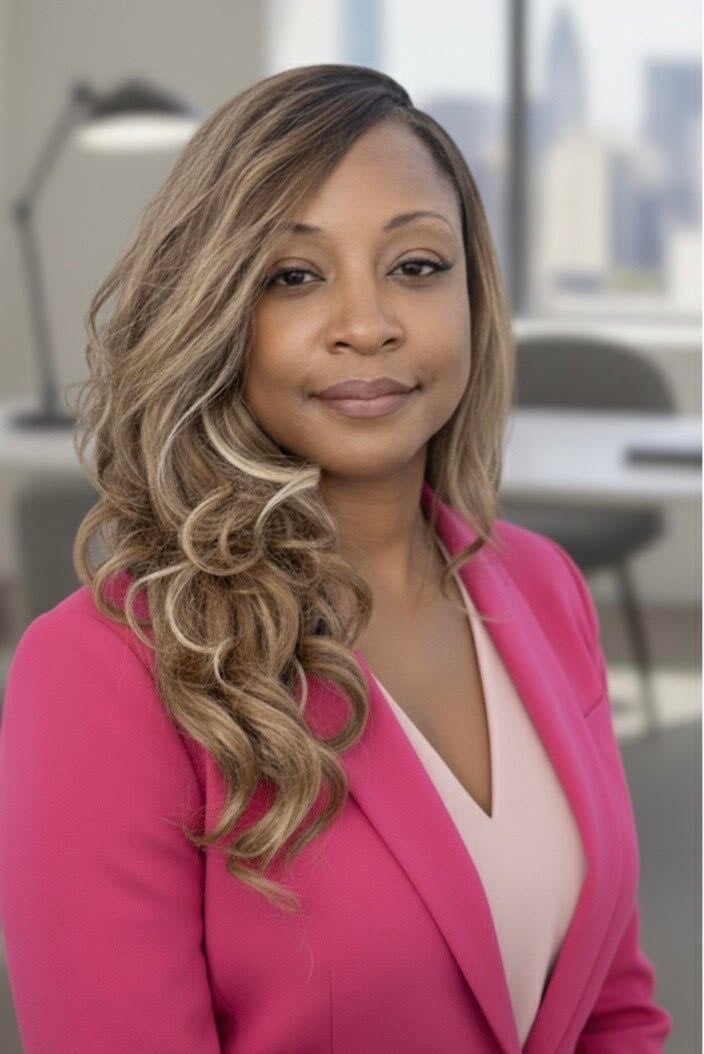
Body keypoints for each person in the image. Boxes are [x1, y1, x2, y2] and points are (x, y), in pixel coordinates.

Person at [0, 63, 672, 1053]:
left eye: (416, 265)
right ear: (215, 310)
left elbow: (612, 1007)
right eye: (295, 276)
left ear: (474, 296)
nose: (368, 325)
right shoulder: (102, 671)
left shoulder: (541, 586)